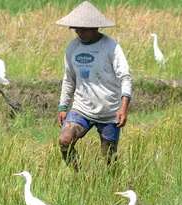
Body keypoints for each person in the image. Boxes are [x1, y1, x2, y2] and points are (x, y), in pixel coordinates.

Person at [56, 1, 132, 169]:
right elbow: (69, 79)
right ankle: (79, 177)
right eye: (76, 29)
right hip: (81, 109)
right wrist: (63, 106)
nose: (78, 32)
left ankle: (113, 184)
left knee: (109, 160)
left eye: (83, 29)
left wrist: (123, 108)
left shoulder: (111, 47)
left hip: (109, 112)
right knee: (64, 140)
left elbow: (125, 77)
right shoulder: (72, 48)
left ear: (96, 28)